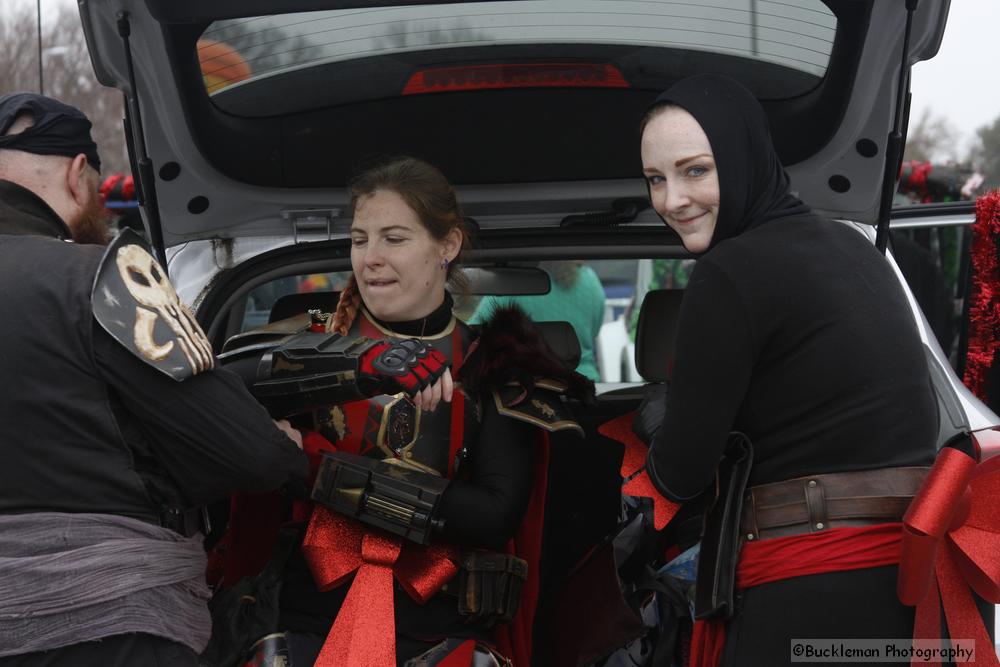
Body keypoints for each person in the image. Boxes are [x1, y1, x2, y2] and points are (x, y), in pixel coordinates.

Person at [216, 156, 591, 667]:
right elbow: (210, 390)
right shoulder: (307, 346)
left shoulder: (495, 364)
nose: (370, 258)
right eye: (359, 239)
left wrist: (313, 466)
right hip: (303, 623)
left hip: (440, 631)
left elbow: (491, 515)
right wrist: (357, 362)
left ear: (448, 246)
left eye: (394, 239)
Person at [633, 75, 952, 665]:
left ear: (742, 157)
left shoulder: (729, 271)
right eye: (657, 178)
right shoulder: (858, 250)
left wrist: (657, 420)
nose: (672, 199)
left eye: (696, 170)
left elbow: (681, 475)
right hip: (914, 588)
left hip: (806, 586)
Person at [0, 93, 309, 667]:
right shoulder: (100, 274)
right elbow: (248, 455)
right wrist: (293, 453)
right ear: (78, 174)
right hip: (110, 629)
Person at [472, 260, 606, 381]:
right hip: (587, 385)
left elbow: (472, 333)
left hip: (536, 390)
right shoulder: (590, 279)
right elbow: (594, 330)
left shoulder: (513, 283)